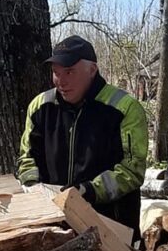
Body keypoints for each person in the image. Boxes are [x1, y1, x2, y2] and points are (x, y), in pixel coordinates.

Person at [16, 35, 149, 237]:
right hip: (53, 225)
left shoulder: (124, 108)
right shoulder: (40, 107)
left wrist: (88, 190)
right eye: (56, 73)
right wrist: (32, 187)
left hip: (111, 228)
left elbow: (132, 170)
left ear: (92, 70)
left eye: (69, 72)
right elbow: (28, 158)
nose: (61, 81)